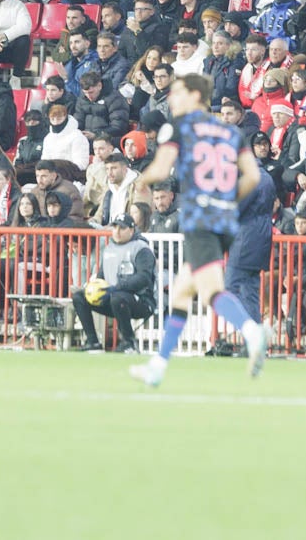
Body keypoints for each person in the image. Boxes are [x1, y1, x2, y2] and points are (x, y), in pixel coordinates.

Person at [130, 74, 268, 388]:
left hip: (198, 219)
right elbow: (252, 177)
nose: (172, 98)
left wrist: (142, 181)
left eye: (178, 92)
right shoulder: (231, 132)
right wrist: (226, 201)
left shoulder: (178, 126)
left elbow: (161, 169)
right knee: (181, 292)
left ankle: (251, 331)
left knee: (211, 292)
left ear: (195, 95)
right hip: (224, 218)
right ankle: (158, 366)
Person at [75, 214, 158, 353]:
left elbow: (144, 278)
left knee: (118, 297)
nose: (117, 232)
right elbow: (101, 277)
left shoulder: (141, 249)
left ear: (131, 230)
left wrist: (116, 288)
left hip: (141, 301)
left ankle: (129, 343)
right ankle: (93, 342)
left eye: (122, 228)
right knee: (79, 297)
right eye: (114, 227)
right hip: (113, 297)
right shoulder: (109, 248)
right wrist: (93, 288)